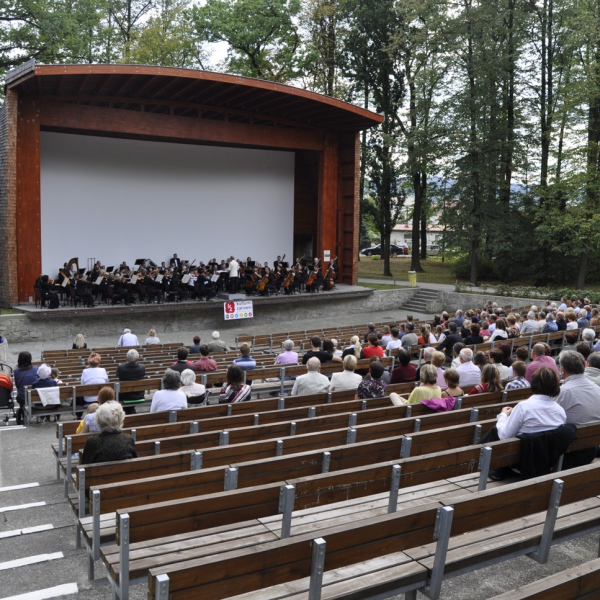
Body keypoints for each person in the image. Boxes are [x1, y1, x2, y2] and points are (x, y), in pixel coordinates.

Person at [495, 367, 566, 439]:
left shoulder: (523, 407)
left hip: (523, 449)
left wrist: (503, 415)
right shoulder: (560, 411)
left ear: (534, 383)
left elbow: (504, 436)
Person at [556, 351, 600, 467]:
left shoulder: (563, 392)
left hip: (568, 454)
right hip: (591, 450)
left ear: (563, 370)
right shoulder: (597, 388)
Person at [116, 349, 146, 413]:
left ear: (127, 358)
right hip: (139, 395)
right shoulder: (142, 367)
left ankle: (128, 410)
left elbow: (118, 376)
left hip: (124, 396)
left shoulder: (121, 368)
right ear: (137, 358)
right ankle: (130, 410)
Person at [14, 351, 38, 424]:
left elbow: (17, 385)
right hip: (36, 396)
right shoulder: (37, 369)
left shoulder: (16, 371)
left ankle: (23, 410)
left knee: (20, 395)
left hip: (23, 398)